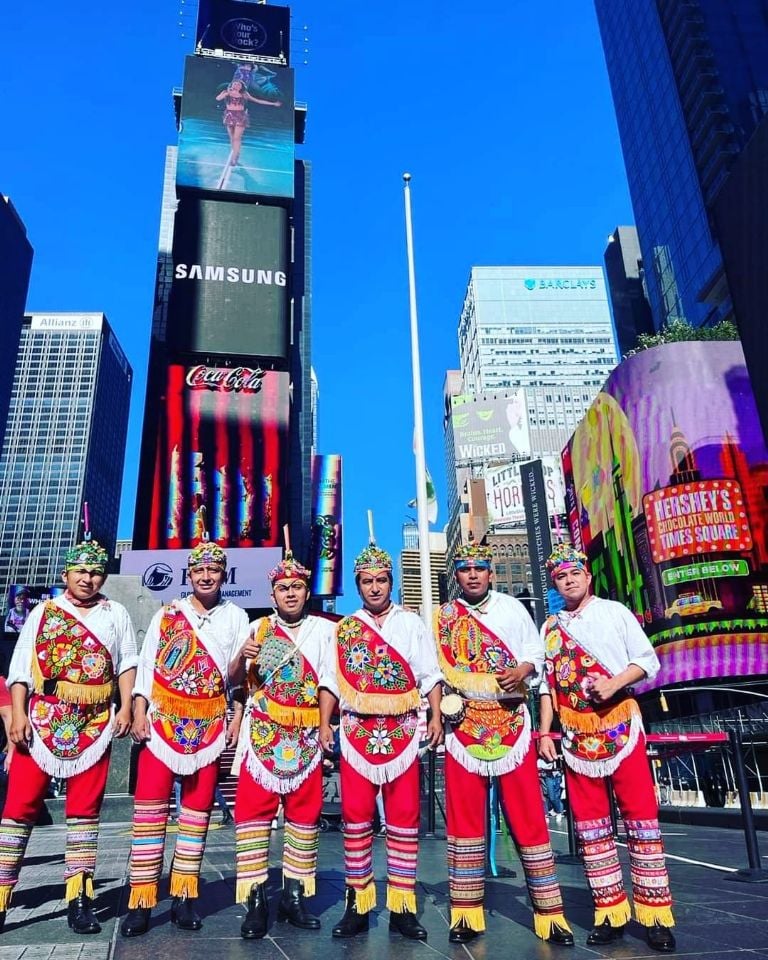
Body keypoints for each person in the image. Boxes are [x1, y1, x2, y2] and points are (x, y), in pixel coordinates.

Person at [434, 541, 573, 946]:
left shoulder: (513, 608)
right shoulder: (444, 617)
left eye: (480, 568)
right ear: (456, 575)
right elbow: (436, 671)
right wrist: (440, 715)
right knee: (464, 820)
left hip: (511, 721)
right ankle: (465, 913)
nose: (473, 574)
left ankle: (551, 912)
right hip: (464, 727)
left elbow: (536, 653)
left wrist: (525, 668)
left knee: (528, 814)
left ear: (491, 573)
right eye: (465, 569)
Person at [539, 545, 675, 953]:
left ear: (587, 575)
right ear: (555, 583)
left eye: (574, 573)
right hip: (576, 734)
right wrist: (546, 732)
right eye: (561, 577)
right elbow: (547, 687)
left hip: (620, 725)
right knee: (591, 826)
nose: (569, 581)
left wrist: (613, 684)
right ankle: (609, 911)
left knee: (641, 820)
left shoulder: (615, 612)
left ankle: (654, 915)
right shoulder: (550, 628)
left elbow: (646, 660)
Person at [0, 541, 137, 935]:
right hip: (42, 719)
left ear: (103, 577)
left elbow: (127, 660)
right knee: (19, 807)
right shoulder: (43, 612)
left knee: (84, 811)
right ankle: (3, 896)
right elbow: (21, 667)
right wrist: (19, 713)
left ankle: (80, 898)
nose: (87, 579)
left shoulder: (116, 613)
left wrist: (126, 706)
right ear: (65, 575)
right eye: (80, 572)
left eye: (95, 573)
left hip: (94, 722)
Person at [121, 541, 248, 938]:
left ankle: (184, 895)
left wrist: (235, 718)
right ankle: (140, 900)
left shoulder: (237, 617)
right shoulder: (168, 615)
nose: (207, 577)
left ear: (223, 575)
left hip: (208, 723)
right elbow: (147, 665)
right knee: (150, 811)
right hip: (162, 722)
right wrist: (140, 710)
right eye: (199, 571)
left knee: (196, 813)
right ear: (189, 575)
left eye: (214, 571)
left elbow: (236, 678)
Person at [319, 541, 443, 940]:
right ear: (358, 585)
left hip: (404, 732)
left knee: (405, 818)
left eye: (381, 580)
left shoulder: (410, 623)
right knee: (356, 817)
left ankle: (403, 905)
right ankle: (357, 903)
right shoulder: (346, 628)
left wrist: (437, 715)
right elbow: (329, 680)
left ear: (392, 582)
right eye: (367, 581)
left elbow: (429, 675)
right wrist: (325, 724)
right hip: (356, 733)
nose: (374, 587)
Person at [229, 548, 334, 939]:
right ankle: (255, 900)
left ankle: (294, 896)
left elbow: (328, 682)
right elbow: (235, 680)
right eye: (282, 588)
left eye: (297, 587)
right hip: (263, 733)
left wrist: (325, 725)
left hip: (306, 734)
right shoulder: (256, 628)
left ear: (307, 592)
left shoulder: (324, 630)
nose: (290, 593)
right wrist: (242, 658)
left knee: (304, 815)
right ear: (272, 594)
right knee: (254, 815)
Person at [214, 81, 282, 166]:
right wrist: (227, 93)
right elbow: (218, 98)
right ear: (232, 85)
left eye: (239, 84)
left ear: (241, 87)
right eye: (235, 84)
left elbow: (257, 101)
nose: (236, 85)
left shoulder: (244, 94)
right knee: (231, 138)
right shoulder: (226, 92)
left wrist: (273, 103)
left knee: (236, 138)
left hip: (240, 116)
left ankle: (234, 158)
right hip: (229, 115)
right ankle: (236, 152)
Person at [537, 755, 564, 820]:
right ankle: (546, 813)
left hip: (550, 776)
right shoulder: (539, 759)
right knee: (544, 796)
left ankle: (558, 812)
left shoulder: (551, 756)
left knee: (552, 796)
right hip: (541, 776)